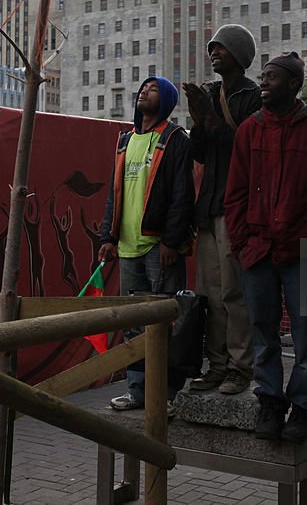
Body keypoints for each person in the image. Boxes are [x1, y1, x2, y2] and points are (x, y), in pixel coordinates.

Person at [225, 52, 307, 442]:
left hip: (302, 255)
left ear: (295, 84)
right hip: (257, 252)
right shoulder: (249, 130)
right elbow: (235, 193)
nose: (263, 83)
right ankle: (269, 402)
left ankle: (303, 409)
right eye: (262, 76)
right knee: (263, 332)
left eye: (272, 78)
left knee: (305, 335)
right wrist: (243, 239)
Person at [98, 77, 195, 411]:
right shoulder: (125, 141)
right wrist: (108, 237)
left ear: (166, 99)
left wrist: (171, 241)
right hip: (126, 249)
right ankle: (138, 391)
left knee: (165, 322)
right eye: (142, 88)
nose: (143, 92)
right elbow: (115, 193)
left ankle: (166, 394)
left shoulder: (174, 139)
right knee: (132, 325)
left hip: (158, 248)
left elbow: (183, 195)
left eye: (152, 89)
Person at [182, 24, 262, 396]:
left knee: (233, 292)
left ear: (240, 55)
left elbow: (243, 149)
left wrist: (210, 118)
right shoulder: (209, 93)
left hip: (236, 207)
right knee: (209, 294)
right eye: (212, 47)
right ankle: (215, 365)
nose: (214, 53)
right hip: (208, 206)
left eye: (222, 48)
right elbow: (200, 153)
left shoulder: (252, 97)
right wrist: (199, 120)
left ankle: (240, 367)